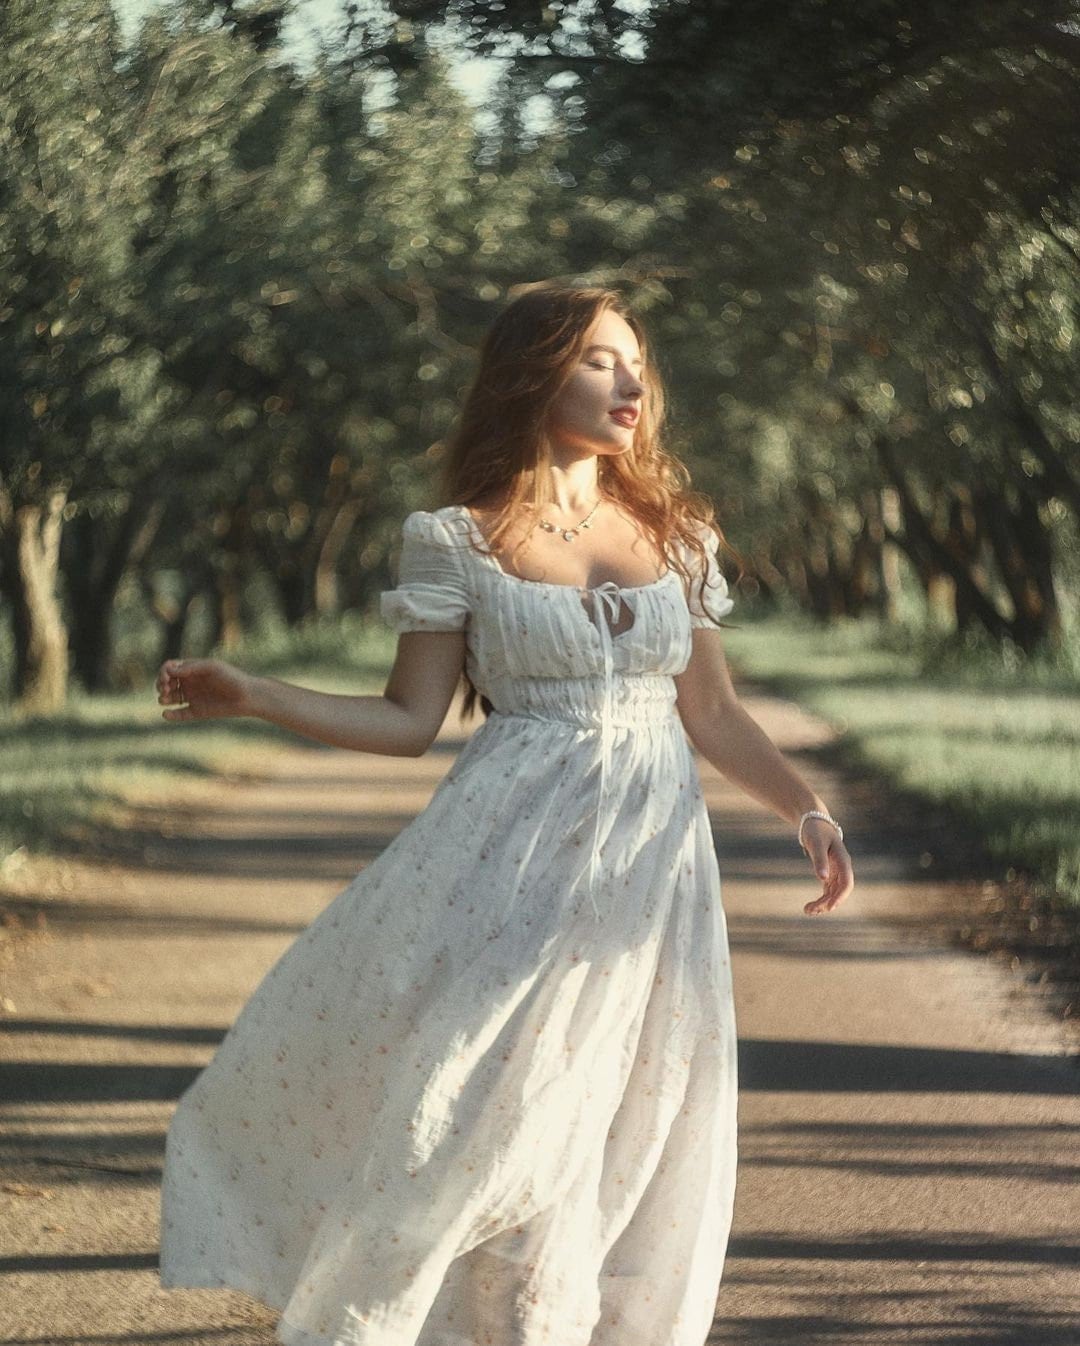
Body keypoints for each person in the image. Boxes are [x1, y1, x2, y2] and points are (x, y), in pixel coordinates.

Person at [156, 282, 855, 1346]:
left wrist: (806, 808)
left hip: (650, 876)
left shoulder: (675, 531)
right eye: (598, 361)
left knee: (618, 1134)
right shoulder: (456, 539)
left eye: (635, 362)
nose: (631, 382)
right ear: (533, 374)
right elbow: (405, 719)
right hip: (510, 861)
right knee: (492, 1122)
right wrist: (256, 692)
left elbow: (708, 709)